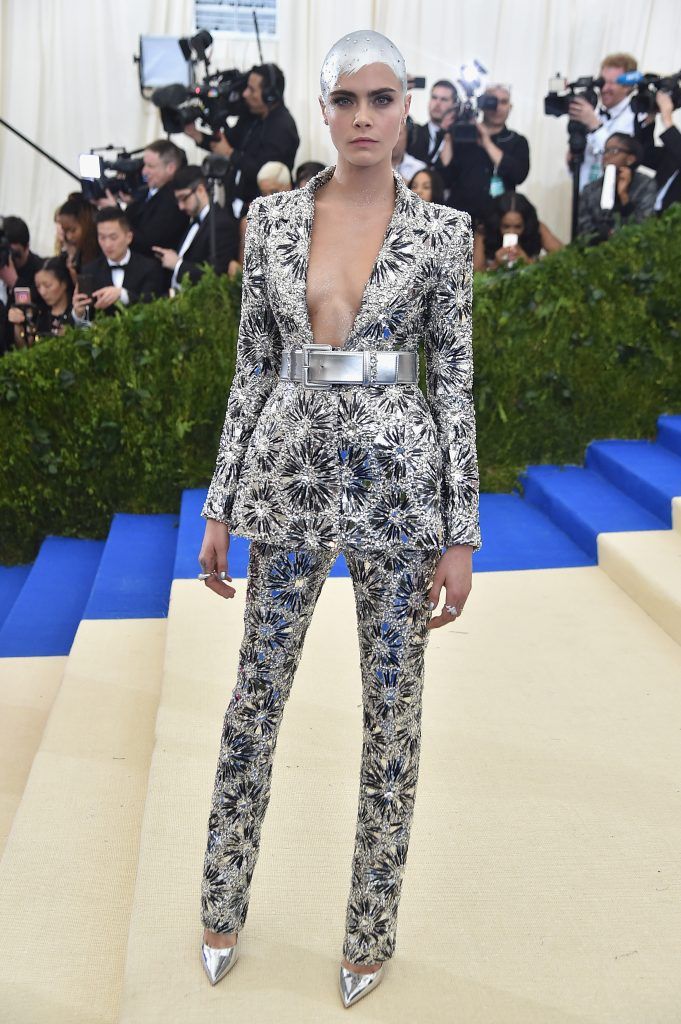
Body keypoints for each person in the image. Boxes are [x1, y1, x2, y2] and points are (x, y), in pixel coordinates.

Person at [197, 29, 480, 1010]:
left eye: (383, 98)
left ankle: (370, 928)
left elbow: (457, 387)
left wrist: (461, 530)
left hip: (402, 492)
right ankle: (221, 903)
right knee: (253, 703)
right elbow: (249, 372)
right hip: (284, 481)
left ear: (407, 109)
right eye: (348, 100)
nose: (365, 117)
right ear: (324, 111)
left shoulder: (444, 238)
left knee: (391, 720)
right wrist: (223, 503)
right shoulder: (271, 221)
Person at [185, 64, 300, 217]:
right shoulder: (251, 116)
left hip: (262, 212)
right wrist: (197, 135)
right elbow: (227, 143)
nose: (245, 94)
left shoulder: (283, 128)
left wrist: (230, 154)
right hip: (235, 203)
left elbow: (264, 172)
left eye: (252, 90)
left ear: (269, 94)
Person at [439, 83, 530, 222]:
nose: (498, 107)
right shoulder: (464, 135)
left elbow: (518, 174)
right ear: (482, 105)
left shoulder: (517, 141)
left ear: (510, 107)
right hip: (460, 219)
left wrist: (487, 143)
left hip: (497, 220)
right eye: (492, 101)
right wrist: (449, 136)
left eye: (504, 102)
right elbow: (444, 178)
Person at [568, 53, 654, 191]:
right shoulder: (593, 112)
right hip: (585, 196)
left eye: (612, 83)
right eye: (602, 82)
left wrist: (595, 125)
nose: (604, 88)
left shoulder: (637, 117)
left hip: (616, 196)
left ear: (628, 86)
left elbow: (619, 156)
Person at [151, 165, 239, 291]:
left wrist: (177, 264)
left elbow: (218, 273)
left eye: (184, 198)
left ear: (201, 190)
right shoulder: (194, 220)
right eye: (178, 200)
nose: (181, 206)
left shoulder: (221, 224)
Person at [72, 208, 165, 324]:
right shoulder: (89, 271)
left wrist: (123, 295)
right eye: (102, 237)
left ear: (128, 237)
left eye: (113, 237)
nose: (107, 244)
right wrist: (79, 314)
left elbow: (153, 306)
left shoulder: (149, 268)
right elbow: (86, 323)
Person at [103, 140, 190, 262]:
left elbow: (149, 242)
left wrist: (116, 212)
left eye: (151, 166)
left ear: (170, 168)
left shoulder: (174, 200)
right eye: (144, 165)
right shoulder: (146, 192)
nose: (144, 171)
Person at [577, 133, 657, 242]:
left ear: (630, 159)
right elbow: (583, 230)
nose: (606, 156)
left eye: (613, 151)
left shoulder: (645, 185)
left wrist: (623, 196)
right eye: (604, 151)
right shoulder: (590, 189)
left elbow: (644, 226)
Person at [474, 191, 563, 271]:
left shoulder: (536, 228)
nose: (512, 232)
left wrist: (527, 262)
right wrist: (496, 265)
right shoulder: (484, 231)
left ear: (526, 224)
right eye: (506, 226)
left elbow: (564, 257)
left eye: (518, 227)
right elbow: (475, 273)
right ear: (497, 223)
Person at [7, 257, 73, 346]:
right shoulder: (38, 314)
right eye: (38, 287)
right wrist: (17, 325)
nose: (42, 292)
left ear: (64, 283)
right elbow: (25, 348)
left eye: (48, 286)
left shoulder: (75, 314)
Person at [642, 89, 681, 213]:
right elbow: (644, 154)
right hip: (650, 218)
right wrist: (650, 117)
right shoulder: (674, 153)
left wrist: (667, 119)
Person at [407, 79, 458, 164]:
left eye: (444, 99)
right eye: (434, 98)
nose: (437, 103)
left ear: (454, 105)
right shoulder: (414, 133)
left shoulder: (459, 139)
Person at [57, 194, 101, 284]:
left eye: (73, 230)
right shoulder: (68, 254)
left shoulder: (101, 249)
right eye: (65, 231)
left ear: (85, 224)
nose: (69, 236)